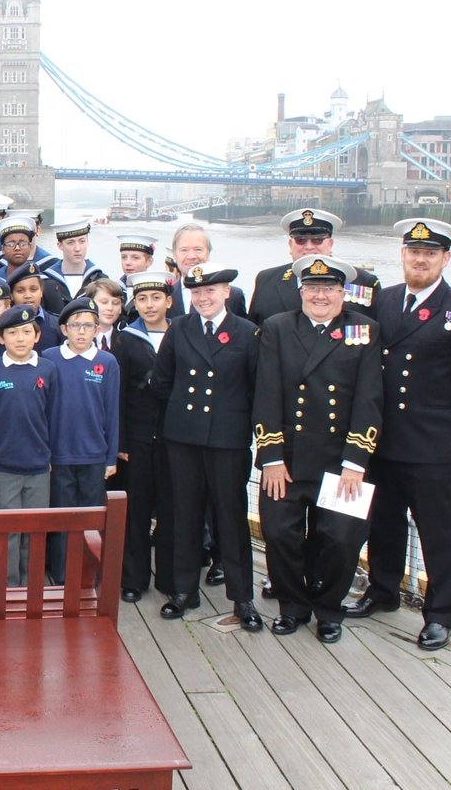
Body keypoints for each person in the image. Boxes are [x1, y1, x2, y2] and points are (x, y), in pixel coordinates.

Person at [345, 219, 451, 652]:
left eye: (430, 254)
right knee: (384, 524)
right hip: (383, 441)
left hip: (432, 446)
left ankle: (442, 613)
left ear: (445, 259)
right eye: (414, 252)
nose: (420, 260)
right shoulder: (384, 301)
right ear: (403, 255)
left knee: (438, 533)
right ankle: (383, 590)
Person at [253, 256, 383, 645]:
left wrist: (356, 461)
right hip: (288, 458)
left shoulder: (364, 330)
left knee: (341, 539)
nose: (320, 296)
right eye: (312, 288)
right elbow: (267, 393)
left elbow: (369, 399)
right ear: (301, 292)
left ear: (343, 293)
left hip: (341, 459)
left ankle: (329, 609)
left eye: (329, 288)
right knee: (279, 534)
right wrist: (271, 458)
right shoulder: (278, 327)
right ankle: (292, 607)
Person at [151, 263, 262, 632]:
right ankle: (184, 590)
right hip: (184, 437)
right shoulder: (179, 328)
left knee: (231, 518)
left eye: (210, 291)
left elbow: (256, 387)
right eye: (196, 292)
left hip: (227, 440)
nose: (203, 298)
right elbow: (162, 380)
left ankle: (242, 598)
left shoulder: (247, 332)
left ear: (227, 292)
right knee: (185, 514)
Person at [43, 296, 120, 585]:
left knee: (91, 519)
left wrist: (110, 456)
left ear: (97, 329)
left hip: (93, 455)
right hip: (58, 454)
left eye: (88, 326)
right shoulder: (49, 358)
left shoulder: (106, 362)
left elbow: (112, 412)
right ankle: (62, 574)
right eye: (75, 325)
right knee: (62, 517)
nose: (81, 331)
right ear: (64, 329)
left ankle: (89, 573)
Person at [0, 305, 56, 586]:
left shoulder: (47, 370)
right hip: (2, 467)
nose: (20, 338)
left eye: (27, 332)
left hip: (38, 466)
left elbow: (53, 415)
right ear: (1, 338)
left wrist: (50, 456)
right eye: (12, 333)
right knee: (7, 531)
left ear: (37, 336)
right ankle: (7, 587)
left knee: (34, 530)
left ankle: (31, 586)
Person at [115, 272, 178, 600]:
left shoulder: (181, 334)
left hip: (173, 438)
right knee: (135, 510)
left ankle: (169, 577)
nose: (149, 305)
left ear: (169, 301)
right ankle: (133, 578)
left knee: (171, 509)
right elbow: (119, 394)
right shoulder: (125, 339)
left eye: (156, 298)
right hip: (137, 439)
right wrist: (121, 441)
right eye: (142, 299)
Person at [247, 209, 381, 326]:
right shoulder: (266, 280)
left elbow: (374, 331)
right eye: (300, 240)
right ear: (290, 245)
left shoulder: (362, 281)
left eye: (317, 240)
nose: (309, 247)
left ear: (330, 244)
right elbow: (253, 332)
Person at [165, 223, 247, 320]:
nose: (191, 256)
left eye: (198, 249)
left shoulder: (234, 296)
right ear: (174, 254)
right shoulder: (164, 294)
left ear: (208, 253)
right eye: (184, 250)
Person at [44, 218, 107, 302]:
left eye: (82, 241)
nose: (77, 248)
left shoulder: (100, 280)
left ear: (87, 242)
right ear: (60, 245)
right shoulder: (46, 280)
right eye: (71, 242)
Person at [7, 262, 63, 346]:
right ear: (11, 295)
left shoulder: (56, 325)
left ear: (41, 291)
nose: (28, 295)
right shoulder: (4, 324)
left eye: (33, 289)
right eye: (20, 291)